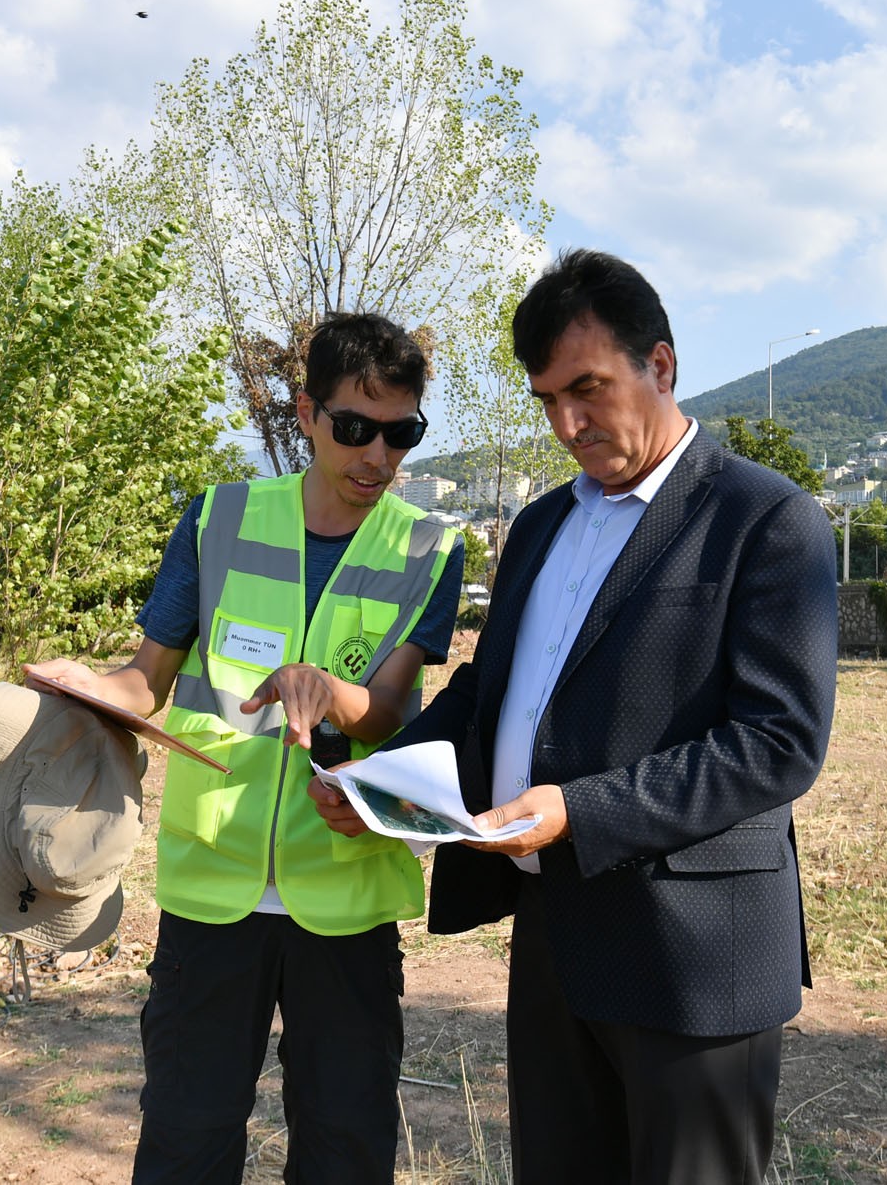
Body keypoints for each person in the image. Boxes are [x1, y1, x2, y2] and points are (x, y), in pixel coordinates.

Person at [310, 250, 837, 1184]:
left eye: (587, 389)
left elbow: (778, 741)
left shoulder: (765, 519)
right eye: (548, 399)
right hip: (555, 936)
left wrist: (577, 811)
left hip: (692, 956)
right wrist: (382, 778)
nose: (566, 424)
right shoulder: (542, 526)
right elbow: (486, 692)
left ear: (660, 365)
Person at [29, 311, 464, 1184]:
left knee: (345, 1151)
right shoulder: (217, 519)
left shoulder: (431, 545)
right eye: (355, 428)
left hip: (346, 900)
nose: (378, 456)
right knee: (186, 1144)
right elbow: (147, 679)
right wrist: (88, 685)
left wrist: (328, 690)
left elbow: (385, 709)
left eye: (402, 433)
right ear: (306, 413)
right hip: (213, 888)